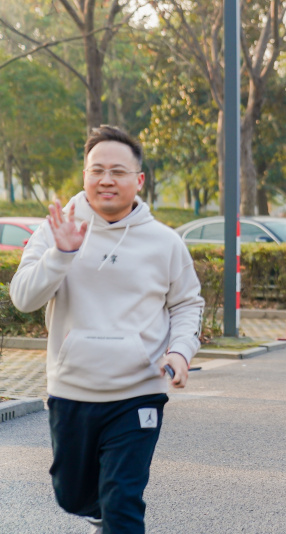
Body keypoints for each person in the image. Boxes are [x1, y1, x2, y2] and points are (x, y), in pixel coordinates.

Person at [10, 125, 204, 534]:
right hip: (72, 389)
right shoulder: (55, 230)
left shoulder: (165, 242)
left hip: (139, 392)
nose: (107, 180)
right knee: (72, 496)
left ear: (139, 180)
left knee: (123, 501)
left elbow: (187, 303)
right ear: (84, 175)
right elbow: (23, 298)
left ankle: (111, 515)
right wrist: (61, 255)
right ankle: (97, 510)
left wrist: (180, 351)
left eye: (118, 171)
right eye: (97, 170)